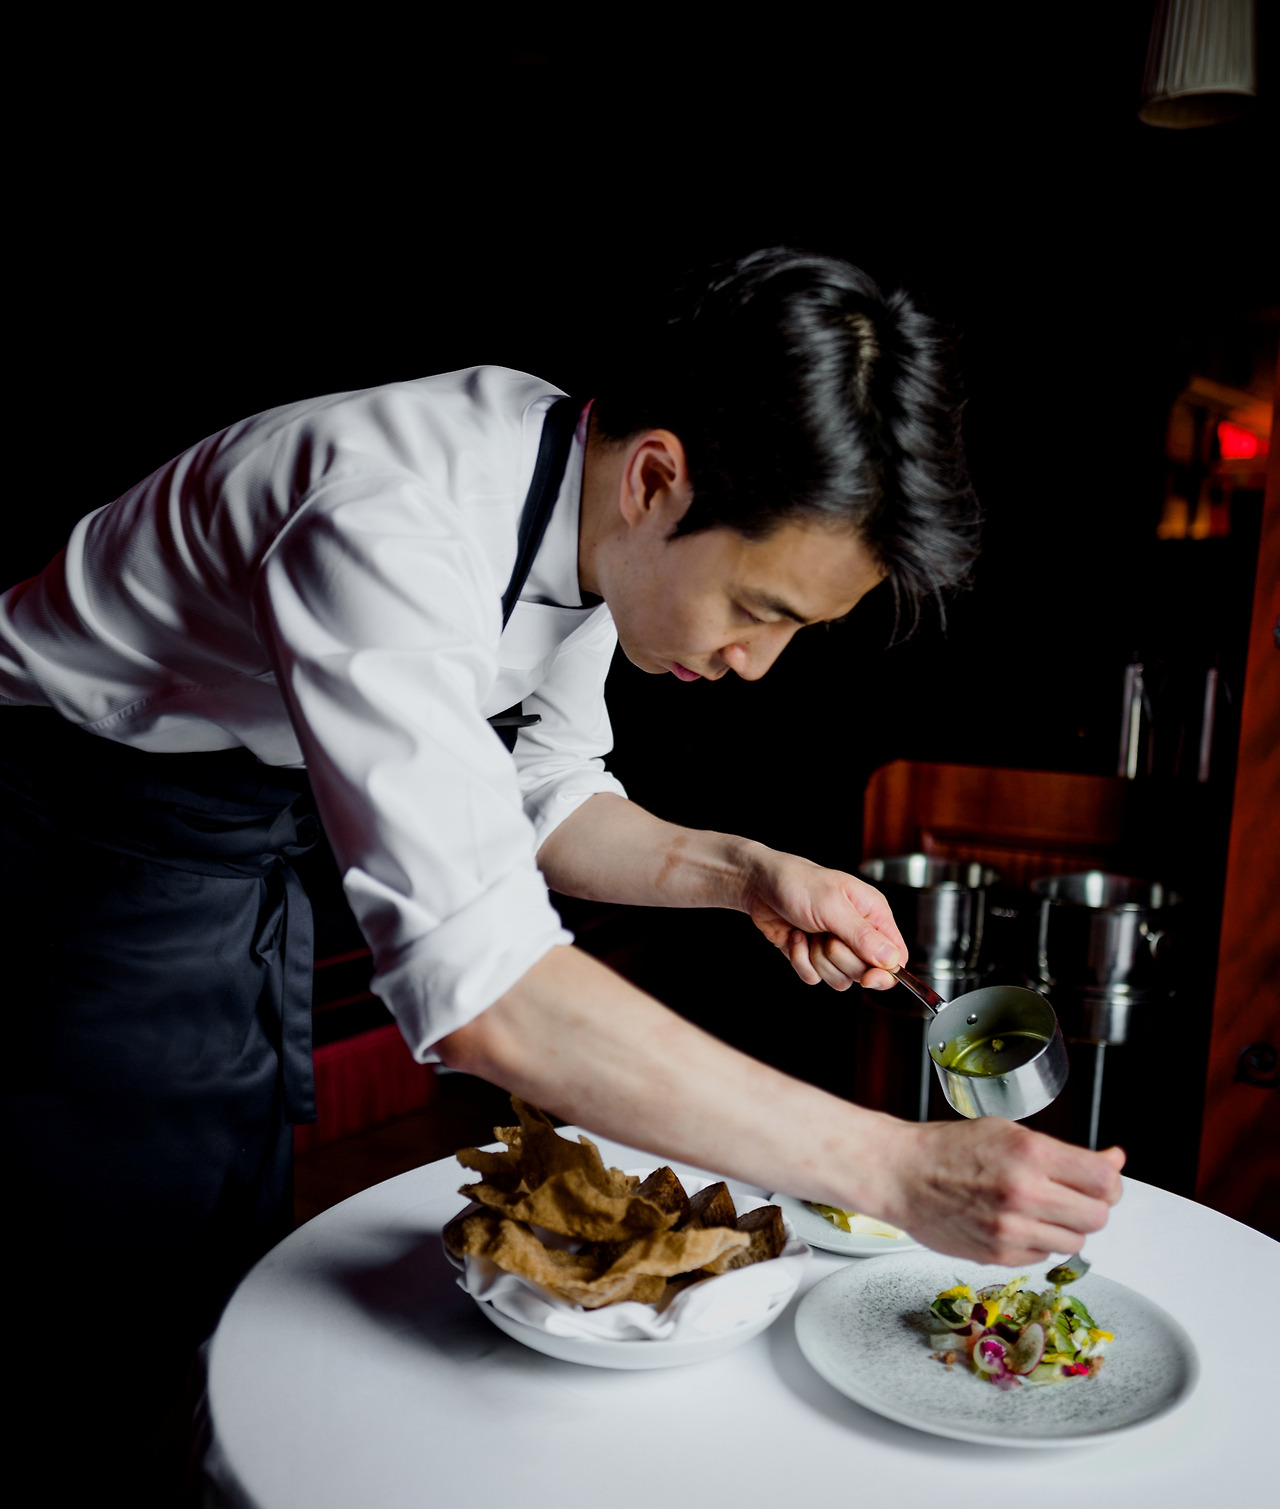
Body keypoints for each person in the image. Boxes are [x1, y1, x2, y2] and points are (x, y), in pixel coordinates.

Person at [1, 249, 1123, 1494]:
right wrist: (892, 1168)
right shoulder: (391, 516)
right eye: (761, 607)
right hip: (64, 839)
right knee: (95, 1306)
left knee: (214, 1263)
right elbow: (486, 999)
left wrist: (744, 872)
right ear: (658, 478)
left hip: (232, 836)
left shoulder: (581, 501)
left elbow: (540, 793)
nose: (756, 664)